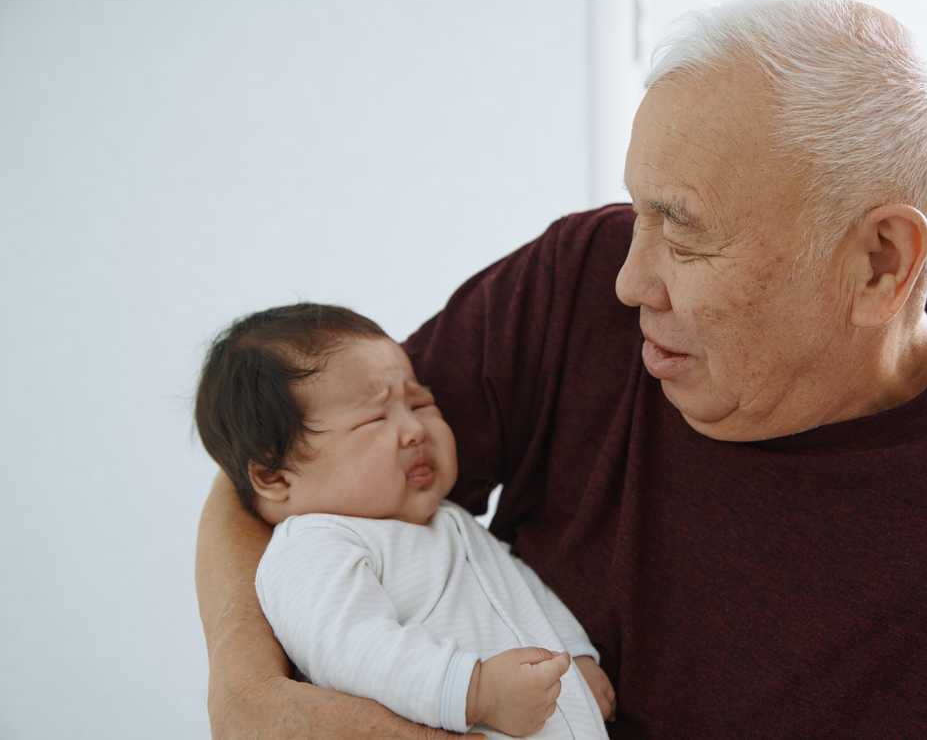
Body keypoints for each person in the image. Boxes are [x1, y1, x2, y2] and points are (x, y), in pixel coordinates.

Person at [195, 0, 927, 737]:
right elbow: (282, 470)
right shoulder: (579, 279)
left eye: (684, 232)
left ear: (879, 263)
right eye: (638, 211)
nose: (632, 280)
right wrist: (249, 693)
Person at [193, 304, 614, 738]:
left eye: (421, 402)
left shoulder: (447, 520)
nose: (414, 429)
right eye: (375, 418)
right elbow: (353, 647)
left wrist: (575, 653)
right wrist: (473, 690)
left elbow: (523, 591)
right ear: (273, 476)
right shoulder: (311, 547)